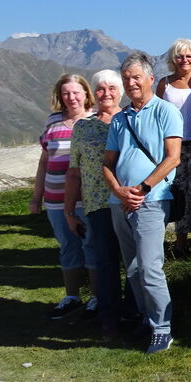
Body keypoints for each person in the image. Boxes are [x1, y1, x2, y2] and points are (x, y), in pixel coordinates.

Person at [103, 51, 182, 354]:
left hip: (152, 199)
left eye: (136, 77)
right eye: (126, 79)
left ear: (151, 78)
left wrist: (142, 188)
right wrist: (119, 190)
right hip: (120, 202)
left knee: (150, 267)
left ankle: (163, 328)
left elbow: (173, 157)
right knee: (133, 268)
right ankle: (147, 320)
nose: (131, 83)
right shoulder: (119, 119)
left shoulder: (165, 111)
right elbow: (108, 162)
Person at [66, 70, 128, 339]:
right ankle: (110, 319)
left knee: (135, 261)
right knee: (105, 262)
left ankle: (136, 313)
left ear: (121, 91)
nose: (106, 93)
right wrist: (69, 211)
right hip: (98, 203)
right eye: (100, 89)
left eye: (112, 88)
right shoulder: (83, 127)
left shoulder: (132, 119)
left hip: (130, 201)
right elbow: (74, 172)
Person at [31, 74, 98, 319]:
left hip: (87, 198)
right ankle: (72, 297)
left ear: (85, 93)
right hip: (55, 197)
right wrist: (36, 197)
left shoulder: (96, 119)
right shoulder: (53, 122)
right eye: (66, 93)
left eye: (76, 92)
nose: (71, 98)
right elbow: (43, 162)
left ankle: (97, 298)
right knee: (68, 247)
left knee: (91, 245)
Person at [155, 38, 191, 258]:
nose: (185, 60)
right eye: (180, 56)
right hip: (173, 146)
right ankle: (179, 242)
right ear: (173, 59)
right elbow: (156, 114)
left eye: (189, 55)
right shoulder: (164, 84)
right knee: (178, 193)